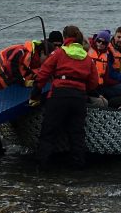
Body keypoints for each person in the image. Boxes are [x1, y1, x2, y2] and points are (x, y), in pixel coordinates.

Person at [0, 30, 61, 157]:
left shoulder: (35, 62)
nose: (47, 62)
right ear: (42, 52)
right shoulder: (22, 51)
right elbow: (12, 65)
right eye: (47, 58)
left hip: (0, 87)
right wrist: (20, 81)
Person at [32, 25, 101, 168]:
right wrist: (82, 89)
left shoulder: (59, 53)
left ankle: (41, 167)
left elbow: (43, 73)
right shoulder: (87, 58)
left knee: (49, 132)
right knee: (77, 134)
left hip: (59, 95)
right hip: (78, 98)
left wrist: (35, 93)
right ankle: (78, 167)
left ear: (65, 38)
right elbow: (94, 83)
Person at [89, 29, 121, 108]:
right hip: (91, 86)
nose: (100, 44)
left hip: (103, 85)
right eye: (99, 41)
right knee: (102, 102)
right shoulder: (88, 51)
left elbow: (106, 76)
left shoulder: (106, 56)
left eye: (104, 43)